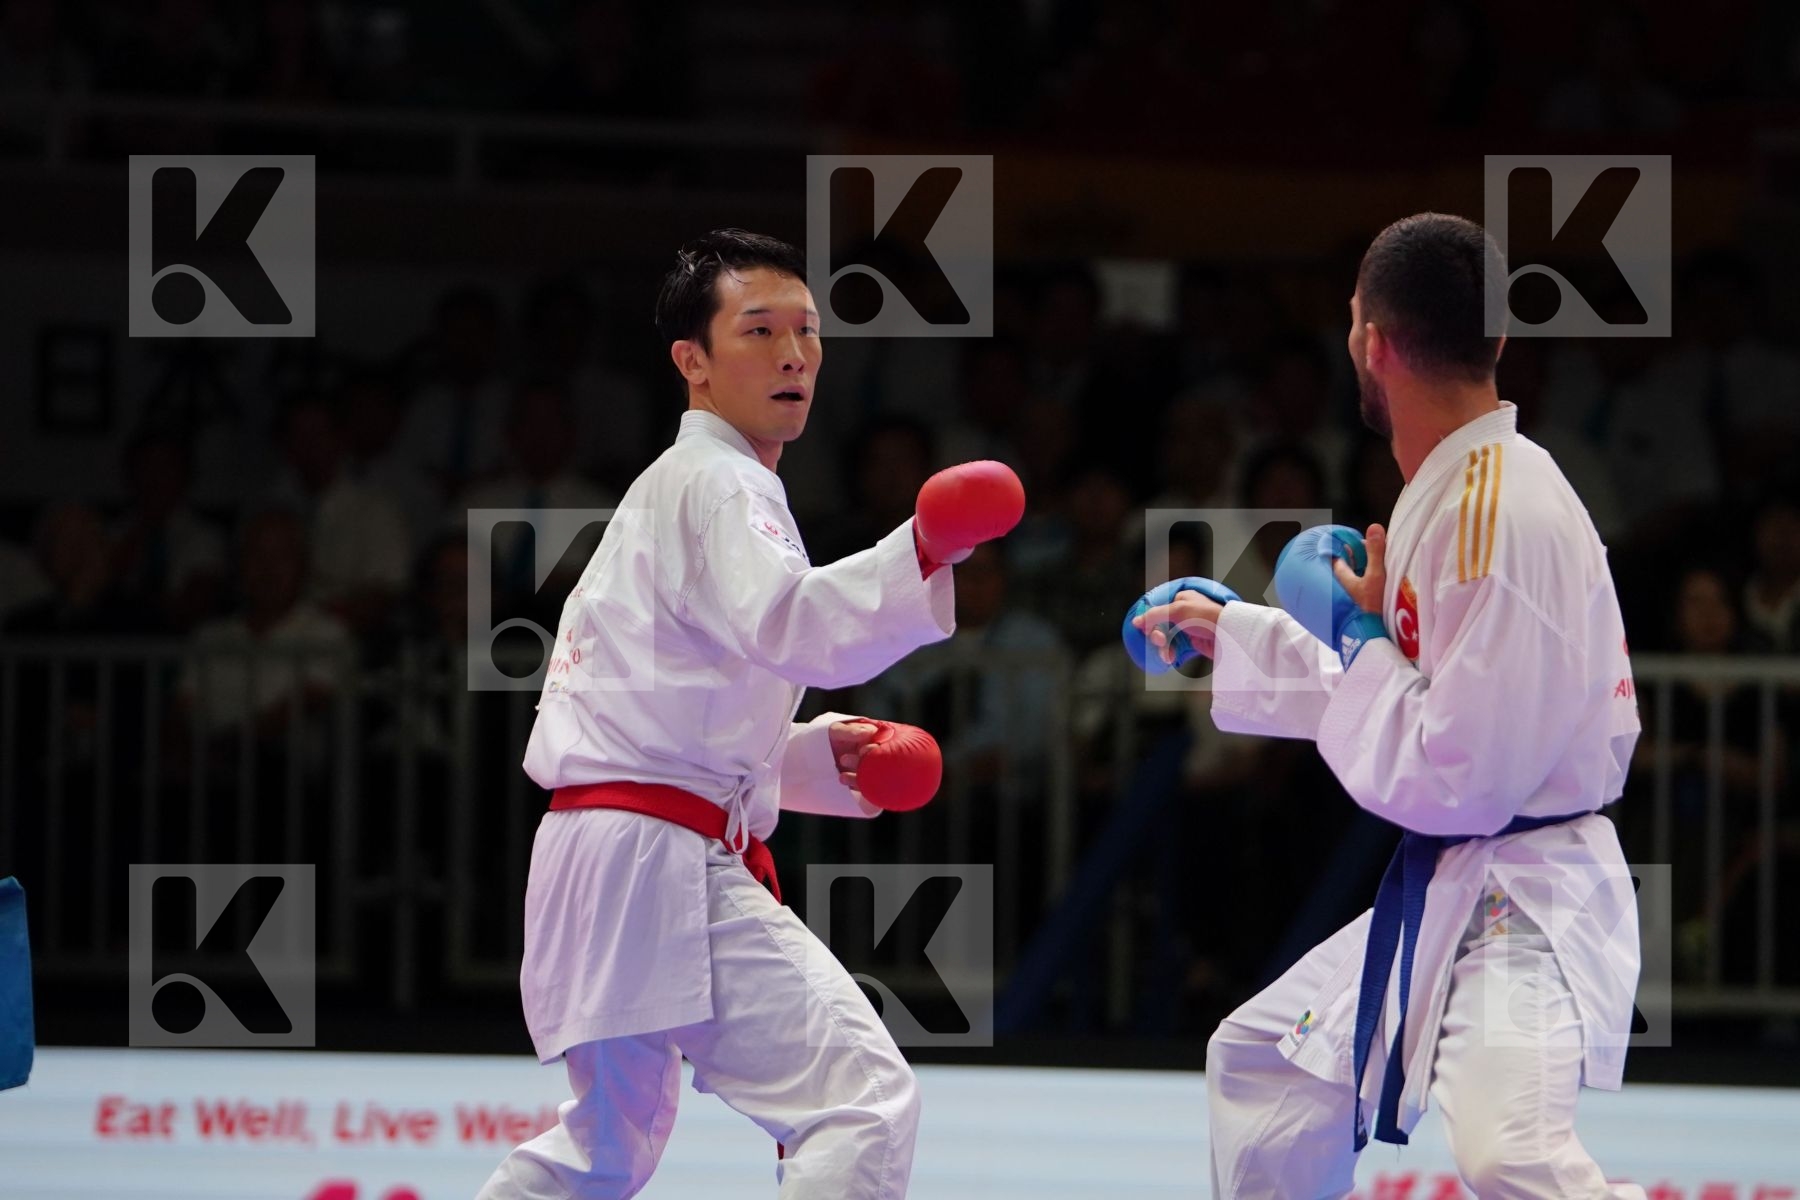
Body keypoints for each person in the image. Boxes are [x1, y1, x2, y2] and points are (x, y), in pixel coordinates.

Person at [477, 229, 1021, 1200]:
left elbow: (666, 714)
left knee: (602, 1152)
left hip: (599, 847)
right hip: (656, 858)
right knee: (859, 1101)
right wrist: (926, 549)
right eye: (759, 330)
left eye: (807, 333)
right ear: (691, 360)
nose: (793, 354)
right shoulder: (719, 480)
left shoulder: (673, 490)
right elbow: (793, 624)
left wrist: (817, 760)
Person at [1133, 213, 1643, 1198]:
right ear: (1497, 341)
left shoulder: (1498, 514)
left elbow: (1459, 778)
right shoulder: (1449, 491)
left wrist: (1361, 641)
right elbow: (1413, 705)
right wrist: (1238, 633)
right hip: (1472, 880)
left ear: (1369, 339)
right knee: (1268, 1062)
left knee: (1512, 1156)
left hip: (1522, 895)